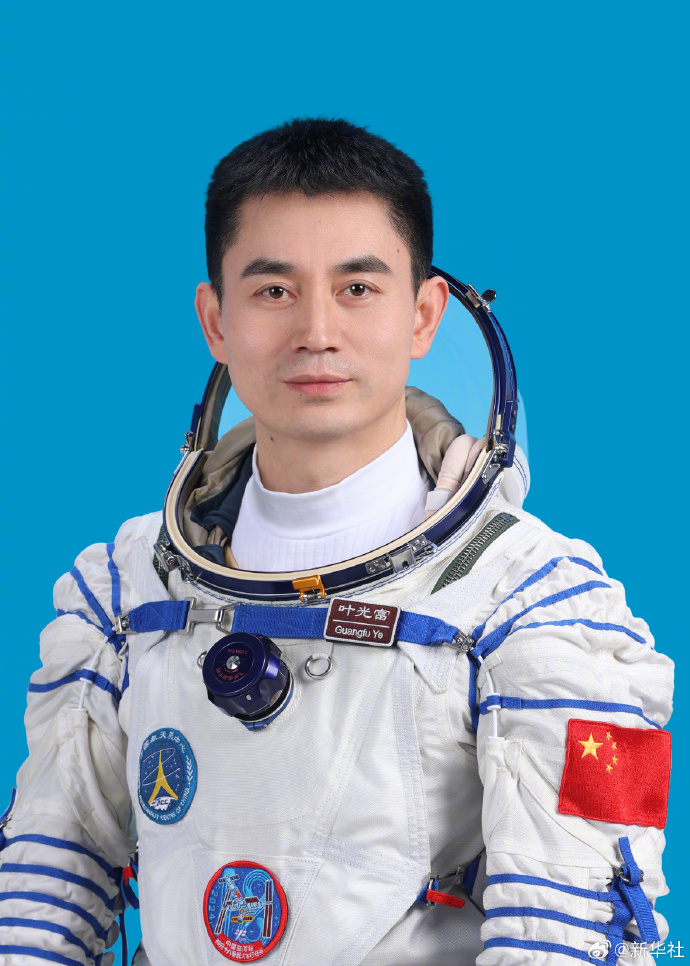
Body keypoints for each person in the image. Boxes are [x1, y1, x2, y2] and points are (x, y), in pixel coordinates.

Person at [0, 118, 673, 966]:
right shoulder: (126, 593)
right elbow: (40, 890)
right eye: (273, 291)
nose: (316, 331)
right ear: (215, 320)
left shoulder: (546, 607)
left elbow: (574, 933)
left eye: (357, 288)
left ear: (423, 316)